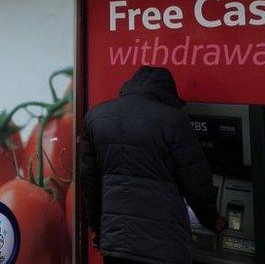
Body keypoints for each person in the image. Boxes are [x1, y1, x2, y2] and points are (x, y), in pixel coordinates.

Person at [81, 65, 226, 264]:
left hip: (116, 244)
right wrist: (212, 220)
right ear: (167, 93)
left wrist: (98, 229)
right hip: (165, 247)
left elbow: (91, 186)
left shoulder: (95, 117)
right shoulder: (174, 120)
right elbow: (196, 183)